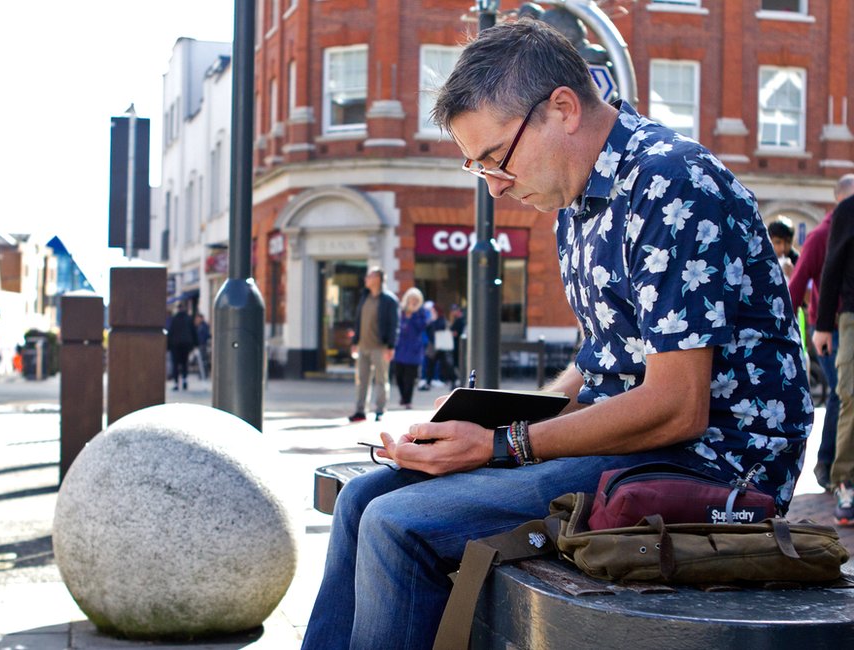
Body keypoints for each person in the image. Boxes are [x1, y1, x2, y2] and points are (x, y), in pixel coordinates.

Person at [302, 20, 811, 649]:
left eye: (495, 159)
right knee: (361, 500)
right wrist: (488, 419)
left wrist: (501, 444)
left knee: (397, 523)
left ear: (562, 109)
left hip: (719, 464)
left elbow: (678, 406)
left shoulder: (672, 183)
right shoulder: (577, 201)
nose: (492, 184)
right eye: (476, 166)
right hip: (635, 446)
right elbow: (605, 357)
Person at [789, 174, 854, 489]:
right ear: (842, 198)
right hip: (826, 326)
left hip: (835, 322)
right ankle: (828, 467)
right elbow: (800, 280)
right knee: (844, 396)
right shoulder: (820, 236)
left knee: (842, 397)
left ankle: (830, 464)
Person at [812, 193, 854, 525]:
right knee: (850, 395)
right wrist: (823, 325)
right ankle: (846, 481)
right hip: (851, 316)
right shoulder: (848, 209)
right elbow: (832, 266)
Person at [348, 267, 399, 422]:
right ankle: (360, 410)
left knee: (381, 380)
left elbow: (393, 324)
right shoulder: (364, 296)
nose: (366, 279)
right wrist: (355, 341)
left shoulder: (389, 300)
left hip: (380, 346)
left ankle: (380, 410)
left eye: (370, 276)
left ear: (378, 279)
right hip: (363, 346)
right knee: (361, 380)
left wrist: (390, 346)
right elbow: (358, 321)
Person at [392, 288, 428, 409]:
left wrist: (413, 315)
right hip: (401, 348)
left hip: (414, 349)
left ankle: (408, 400)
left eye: (415, 300)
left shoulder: (420, 312)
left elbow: (421, 327)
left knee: (410, 377)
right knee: (399, 376)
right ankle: (403, 396)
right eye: (411, 299)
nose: (413, 302)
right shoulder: (401, 311)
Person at [166, 302, 198, 391]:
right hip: (185, 344)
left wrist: (168, 346)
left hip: (175, 345)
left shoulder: (174, 319)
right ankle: (184, 380)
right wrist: (195, 344)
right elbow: (193, 332)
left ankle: (176, 383)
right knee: (184, 363)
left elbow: (170, 333)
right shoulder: (188, 319)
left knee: (175, 364)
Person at [193, 312, 212, 379]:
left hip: (202, 344)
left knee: (203, 359)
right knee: (201, 359)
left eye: (198, 318)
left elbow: (205, 335)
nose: (196, 320)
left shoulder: (203, 326)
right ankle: (202, 373)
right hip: (200, 344)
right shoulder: (200, 326)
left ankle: (204, 373)